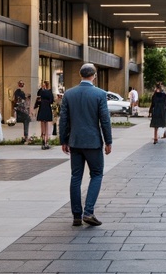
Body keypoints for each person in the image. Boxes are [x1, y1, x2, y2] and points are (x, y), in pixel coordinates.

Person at [60, 63, 112, 227]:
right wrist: (108, 141)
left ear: (80, 75)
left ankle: (76, 215)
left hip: (75, 142)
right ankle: (88, 212)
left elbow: (64, 120)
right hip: (93, 142)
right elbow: (105, 120)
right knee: (96, 174)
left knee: (76, 177)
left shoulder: (69, 94)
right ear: (94, 75)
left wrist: (63, 140)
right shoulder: (100, 94)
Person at [35, 80, 55, 149]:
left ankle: (43, 141)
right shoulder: (49, 92)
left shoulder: (40, 92)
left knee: (42, 125)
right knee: (46, 125)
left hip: (42, 108)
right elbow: (52, 101)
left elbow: (37, 101)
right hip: (47, 108)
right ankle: (46, 141)